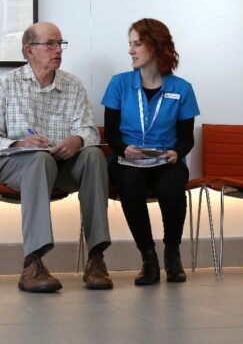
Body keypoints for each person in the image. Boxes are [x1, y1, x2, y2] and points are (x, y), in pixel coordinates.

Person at [0, 22, 112, 293]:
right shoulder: (7, 83)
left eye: (60, 43)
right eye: (50, 44)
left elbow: (88, 130)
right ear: (29, 50)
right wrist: (19, 142)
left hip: (60, 164)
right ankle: (33, 263)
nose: (57, 50)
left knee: (95, 156)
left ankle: (96, 259)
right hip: (17, 164)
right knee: (39, 159)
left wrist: (78, 140)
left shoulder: (72, 85)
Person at [101, 18, 199, 285]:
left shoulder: (181, 88)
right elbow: (110, 132)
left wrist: (177, 153)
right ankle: (148, 259)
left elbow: (186, 138)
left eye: (137, 44)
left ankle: (172, 254)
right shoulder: (119, 83)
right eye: (130, 44)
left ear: (156, 47)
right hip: (127, 159)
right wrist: (124, 149)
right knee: (129, 184)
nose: (131, 51)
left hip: (165, 159)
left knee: (172, 186)